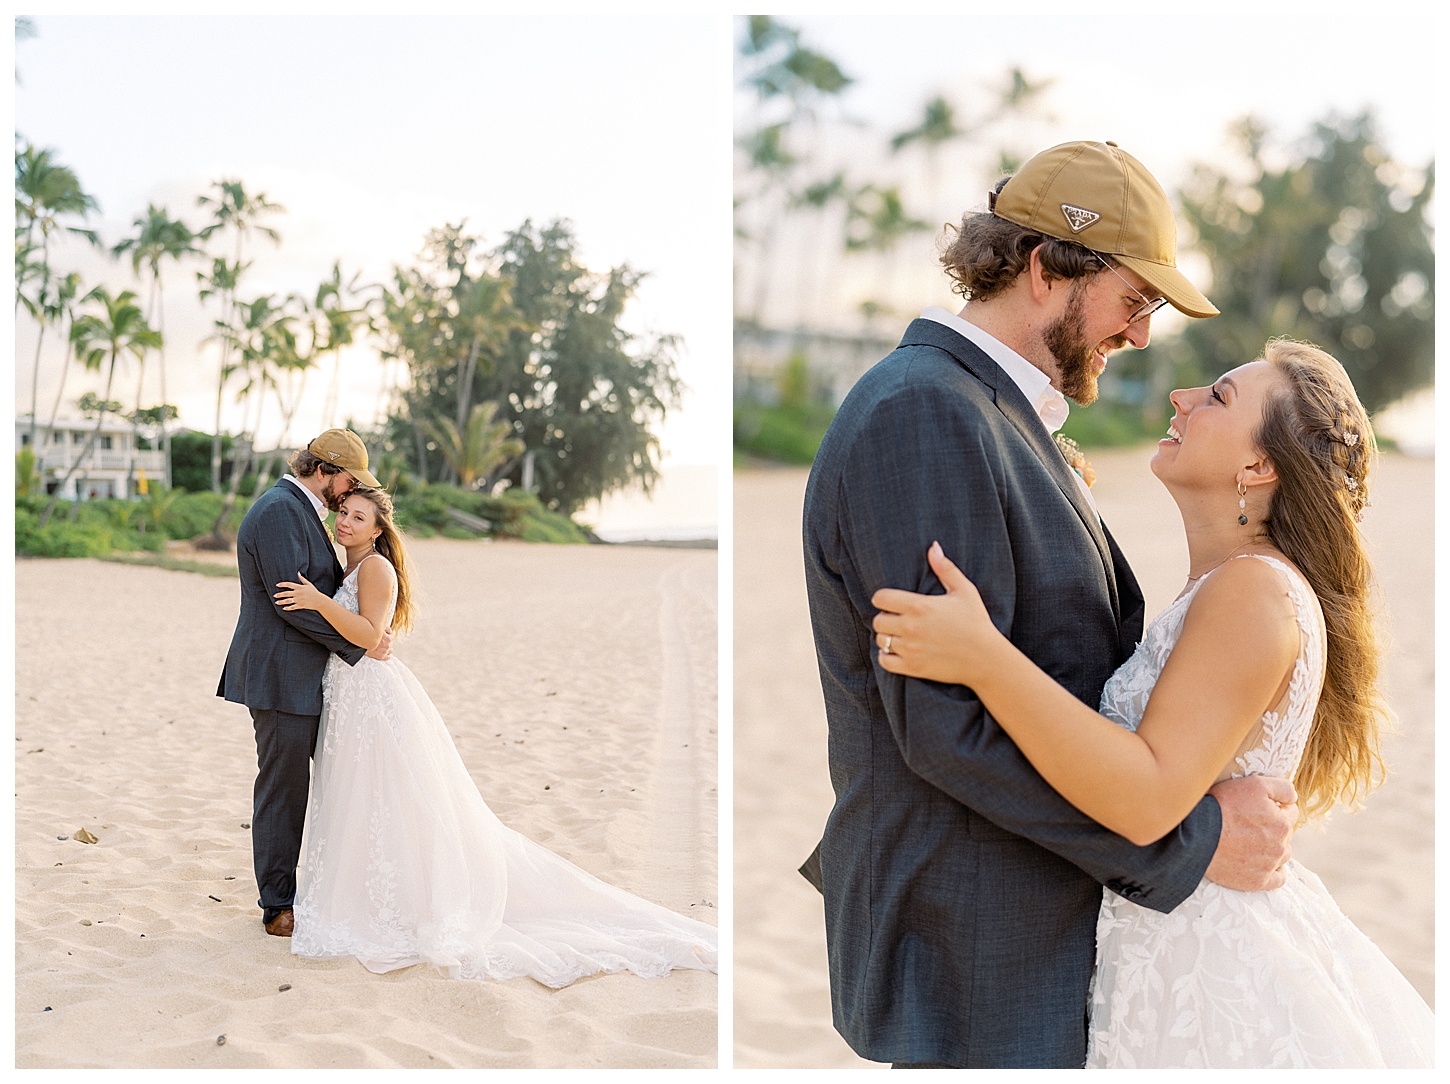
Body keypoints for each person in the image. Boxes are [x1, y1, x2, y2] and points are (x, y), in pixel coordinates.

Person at [800, 141, 1297, 1068]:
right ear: (1045, 270)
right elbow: (946, 729)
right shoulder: (926, 413)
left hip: (1026, 932)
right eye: (1135, 300)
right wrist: (1187, 846)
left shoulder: (989, 411)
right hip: (974, 942)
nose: (1143, 333)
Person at [871, 340, 1434, 1067]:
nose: (1183, 397)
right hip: (1166, 939)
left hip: (1204, 971)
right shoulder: (1232, 585)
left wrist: (983, 658)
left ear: (1259, 468)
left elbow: (1146, 794)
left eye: (1220, 397)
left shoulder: (1255, 591)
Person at [271, 486, 717, 987]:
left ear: (377, 529)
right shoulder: (347, 566)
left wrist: (314, 601)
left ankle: (397, 904)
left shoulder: (375, 566)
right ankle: (366, 895)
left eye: (358, 517)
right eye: (344, 514)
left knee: (388, 797)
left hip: (370, 697)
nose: (346, 523)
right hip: (349, 696)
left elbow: (373, 635)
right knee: (363, 799)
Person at [218, 428, 392, 938]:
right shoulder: (278, 510)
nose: (349, 494)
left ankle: (333, 891)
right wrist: (358, 645)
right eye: (350, 481)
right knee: (283, 790)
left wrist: (363, 635)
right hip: (279, 676)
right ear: (328, 470)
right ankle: (277, 906)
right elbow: (290, 601)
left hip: (308, 678)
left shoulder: (302, 509)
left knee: (337, 785)